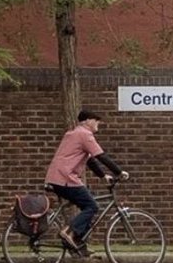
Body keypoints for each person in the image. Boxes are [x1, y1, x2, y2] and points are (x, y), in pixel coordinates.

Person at [45, 109, 129, 255]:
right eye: (96, 120)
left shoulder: (73, 133)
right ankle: (68, 232)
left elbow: (90, 160)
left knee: (87, 204)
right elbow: (101, 156)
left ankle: (78, 245)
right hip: (66, 178)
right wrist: (119, 172)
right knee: (92, 206)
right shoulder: (85, 134)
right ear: (87, 121)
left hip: (56, 177)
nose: (98, 123)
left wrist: (103, 176)